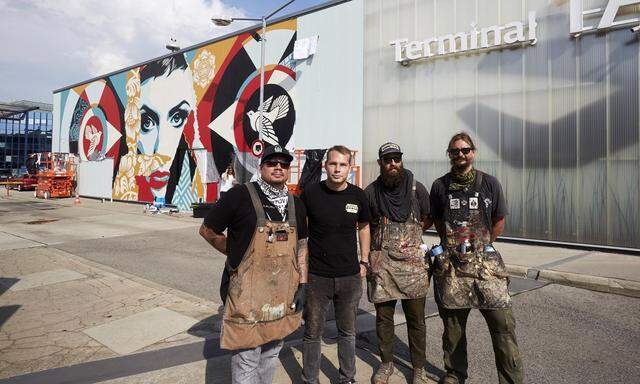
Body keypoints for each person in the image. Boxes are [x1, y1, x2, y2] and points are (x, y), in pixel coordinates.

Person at [199, 145, 309, 384]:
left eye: (284, 164)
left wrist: (303, 285)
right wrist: (235, 253)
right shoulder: (240, 195)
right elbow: (207, 230)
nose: (278, 167)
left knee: (271, 353)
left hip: (281, 295)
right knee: (247, 356)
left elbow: (301, 245)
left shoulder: (296, 204)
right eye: (272, 163)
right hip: (246, 294)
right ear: (261, 167)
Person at [429, 132, 523, 384]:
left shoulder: (489, 183)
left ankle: (511, 379)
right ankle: (454, 374)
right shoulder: (439, 186)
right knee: (453, 328)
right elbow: (438, 222)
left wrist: (483, 245)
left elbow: (499, 220)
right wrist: (451, 246)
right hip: (453, 270)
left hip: (486, 268)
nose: (460, 154)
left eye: (465, 150)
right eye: (455, 151)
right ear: (449, 154)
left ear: (473, 152)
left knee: (503, 325)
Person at [300, 145, 371, 384]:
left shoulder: (358, 196)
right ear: (325, 165)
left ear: (349, 167)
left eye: (342, 164)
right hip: (317, 276)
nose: (337, 169)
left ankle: (347, 378)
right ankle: (310, 379)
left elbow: (364, 227)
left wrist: (364, 261)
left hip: (349, 276)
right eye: (333, 164)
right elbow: (300, 232)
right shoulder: (311, 193)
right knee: (312, 333)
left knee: (348, 332)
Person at [364, 142, 432, 384]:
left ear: (401, 161)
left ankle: (419, 368)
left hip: (413, 267)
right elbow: (364, 226)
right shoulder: (371, 192)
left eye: (397, 159)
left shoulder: (416, 189)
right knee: (383, 318)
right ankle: (386, 363)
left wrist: (409, 241)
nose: (393, 164)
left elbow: (428, 217)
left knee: (417, 320)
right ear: (380, 163)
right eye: (387, 159)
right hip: (382, 266)